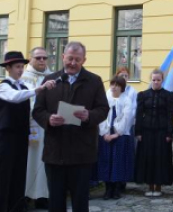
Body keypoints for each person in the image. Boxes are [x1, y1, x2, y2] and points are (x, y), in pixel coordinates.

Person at [33, 41, 109, 212]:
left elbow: (103, 109)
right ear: (62, 57)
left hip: (82, 152)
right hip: (55, 151)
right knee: (56, 202)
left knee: (80, 202)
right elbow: (37, 111)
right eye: (69, 59)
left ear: (84, 60)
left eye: (77, 59)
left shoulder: (94, 81)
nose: (73, 63)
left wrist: (89, 115)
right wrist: (48, 119)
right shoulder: (49, 80)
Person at [0, 51, 55, 212]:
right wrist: (39, 89)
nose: (20, 70)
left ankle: (16, 207)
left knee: (19, 173)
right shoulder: (4, 86)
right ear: (8, 68)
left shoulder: (24, 86)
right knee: (5, 174)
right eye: (17, 67)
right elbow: (15, 97)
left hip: (21, 136)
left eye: (21, 67)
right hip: (6, 137)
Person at [134, 69, 173, 197]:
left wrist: (169, 133)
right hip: (146, 131)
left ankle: (158, 186)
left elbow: (170, 115)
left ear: (162, 80)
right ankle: (149, 185)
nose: (156, 82)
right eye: (154, 80)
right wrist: (138, 132)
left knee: (160, 158)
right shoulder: (143, 95)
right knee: (148, 157)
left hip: (162, 131)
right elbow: (139, 114)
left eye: (158, 80)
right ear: (151, 80)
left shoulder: (168, 95)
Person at [22, 47, 52, 209]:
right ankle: (25, 194)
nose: (42, 61)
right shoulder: (24, 77)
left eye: (44, 58)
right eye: (38, 58)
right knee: (28, 162)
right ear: (31, 59)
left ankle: (43, 195)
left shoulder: (53, 76)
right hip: (30, 128)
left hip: (48, 127)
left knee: (46, 162)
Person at [97, 76, 134, 200]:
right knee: (106, 161)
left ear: (122, 87)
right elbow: (101, 116)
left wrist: (117, 134)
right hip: (106, 134)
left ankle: (116, 188)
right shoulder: (105, 98)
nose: (114, 87)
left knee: (117, 162)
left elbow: (127, 118)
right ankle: (108, 189)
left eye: (117, 85)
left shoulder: (126, 100)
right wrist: (104, 133)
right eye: (112, 84)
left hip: (119, 135)